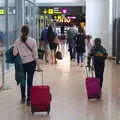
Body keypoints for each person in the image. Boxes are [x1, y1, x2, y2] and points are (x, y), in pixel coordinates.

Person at [13, 25, 40, 105]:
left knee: (22, 81)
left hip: (22, 64)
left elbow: (14, 54)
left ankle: (23, 97)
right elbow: (35, 55)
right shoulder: (33, 41)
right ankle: (29, 99)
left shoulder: (17, 41)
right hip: (31, 63)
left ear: (21, 32)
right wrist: (38, 65)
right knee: (29, 81)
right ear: (29, 32)